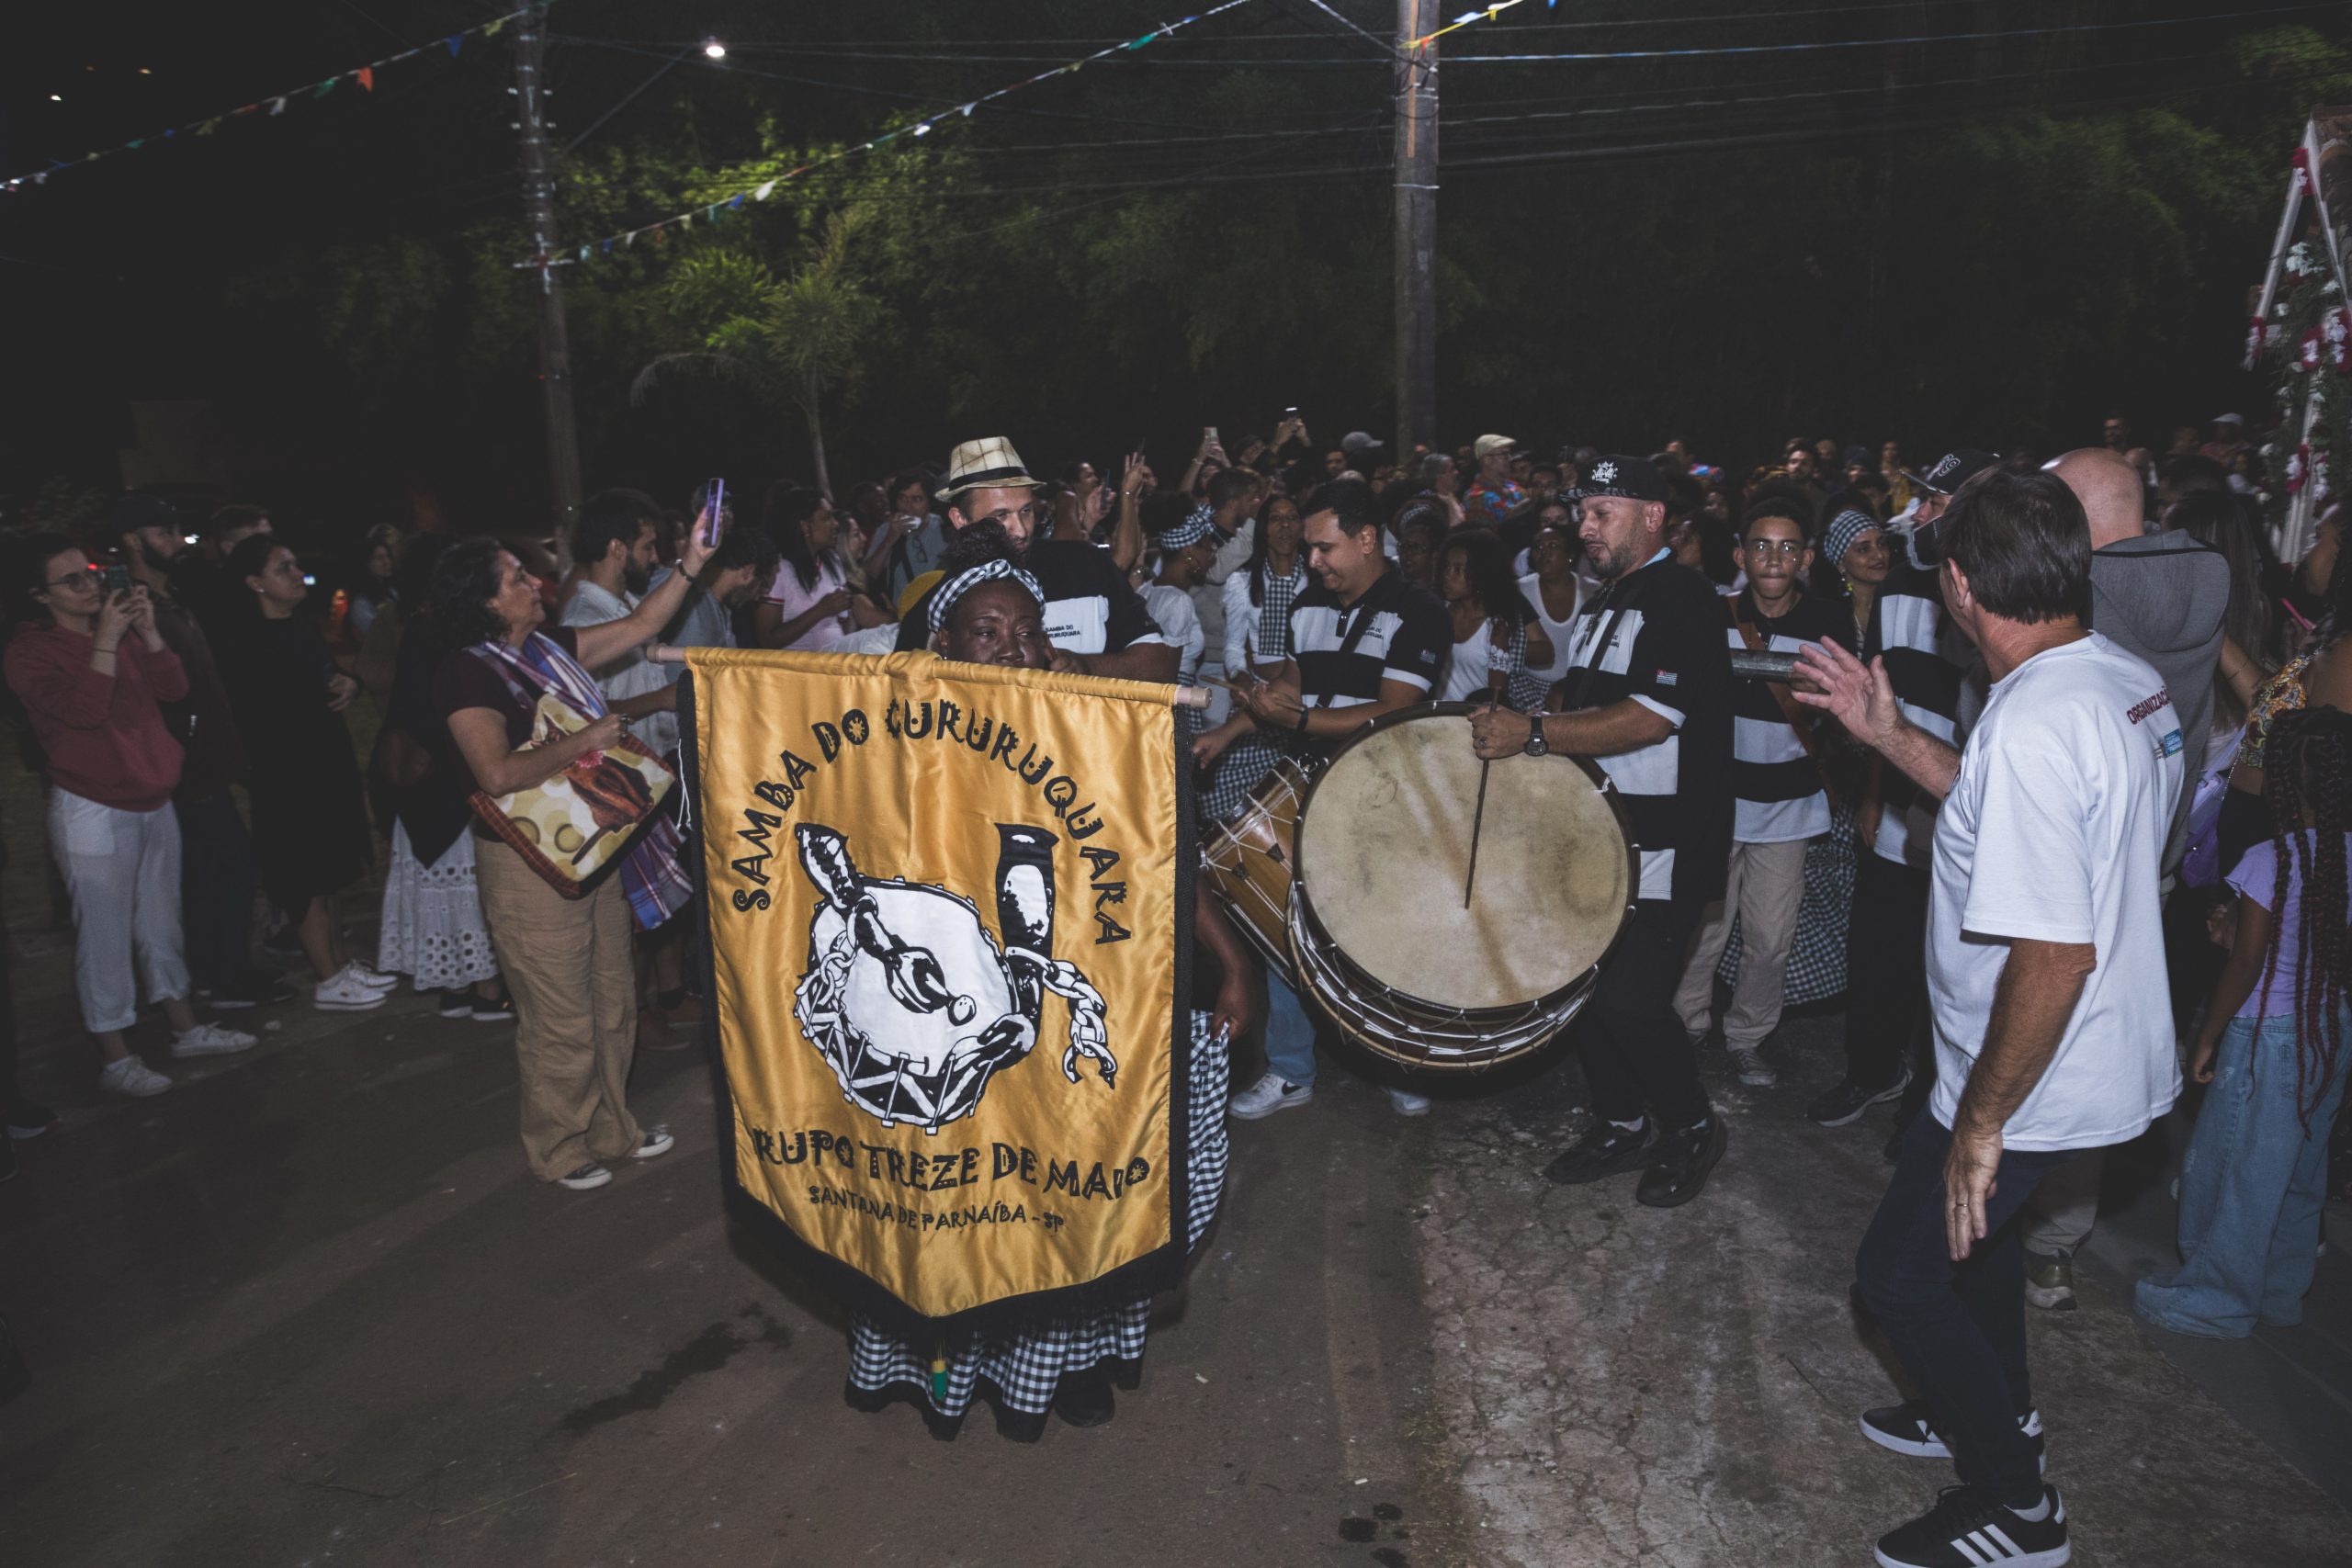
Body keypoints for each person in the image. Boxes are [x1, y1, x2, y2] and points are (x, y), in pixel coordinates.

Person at [1799, 467, 2180, 1568]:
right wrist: (1888, 737)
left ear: (1961, 587)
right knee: (1979, 1253)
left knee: (1899, 1277)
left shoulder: (2034, 723)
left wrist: (1980, 1125)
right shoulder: (2110, 678)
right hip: (2025, 1059)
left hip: (2030, 1073)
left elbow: (2054, 953)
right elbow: (2009, 812)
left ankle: (2018, 1506)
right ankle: (1987, 1409)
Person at [841, 543, 1256, 1442]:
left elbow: (1163, 856)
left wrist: (1230, 960)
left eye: (1027, 632)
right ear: (942, 643)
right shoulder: (895, 754)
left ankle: (1070, 1362)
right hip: (958, 1044)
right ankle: (953, 1370)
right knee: (970, 1208)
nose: (1013, 649)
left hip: (1072, 1022)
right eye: (987, 632)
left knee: (1078, 1193)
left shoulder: (1093, 729)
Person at [1468, 454, 1735, 1208]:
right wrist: (1527, 726)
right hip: (1595, 836)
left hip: (1667, 843)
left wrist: (1537, 731)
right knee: (1581, 991)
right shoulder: (1601, 601)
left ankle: (1690, 1125)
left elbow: (1651, 717)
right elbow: (1582, 700)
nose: (1583, 527)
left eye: (1602, 512)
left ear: (1653, 516)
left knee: (1633, 1002)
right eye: (1581, 512)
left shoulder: (1683, 598)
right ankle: (1620, 1121)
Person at [432, 516, 718, 1190]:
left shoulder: (548, 648)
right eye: (513, 578)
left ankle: (613, 1127)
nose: (532, 583)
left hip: (595, 845)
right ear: (484, 601)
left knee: (614, 999)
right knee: (559, 1015)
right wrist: (589, 739)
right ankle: (561, 1145)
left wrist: (692, 563)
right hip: (530, 861)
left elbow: (642, 625)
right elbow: (496, 774)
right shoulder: (464, 675)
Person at [2016, 449, 2229, 1311]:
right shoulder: (2210, 576)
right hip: (2159, 856)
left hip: (2076, 850)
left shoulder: (2084, 593)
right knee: (2098, 1047)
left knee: (2033, 1038)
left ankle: (1997, 1209)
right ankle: (2059, 1246)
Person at [1195, 479, 1449, 1122]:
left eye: (1324, 547)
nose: (1313, 561)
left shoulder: (1418, 611)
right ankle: (1290, 1069)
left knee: (1380, 934)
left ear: (1366, 540)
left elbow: (1395, 709)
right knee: (1287, 920)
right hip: (1307, 785)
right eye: (1309, 549)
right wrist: (1229, 729)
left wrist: (1302, 719)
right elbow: (1290, 685)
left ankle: (1397, 1061)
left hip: (1385, 790)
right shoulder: (1310, 603)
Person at [4, 534, 256, 1095]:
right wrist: (107, 640)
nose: (91, 585)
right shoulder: (28, 653)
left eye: (90, 573)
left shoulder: (114, 633)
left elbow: (174, 688)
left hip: (154, 797)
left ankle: (184, 1028)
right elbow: (84, 713)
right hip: (92, 807)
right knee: (105, 936)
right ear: (38, 596)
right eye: (72, 580)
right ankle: (115, 1057)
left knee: (161, 924)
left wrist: (145, 631)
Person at [2138, 708, 2351, 1337]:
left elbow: (2249, 963)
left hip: (2266, 1039)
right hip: (2328, 1030)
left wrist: (2205, 1033)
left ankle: (2218, 1295)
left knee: (2239, 1165)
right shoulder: (2343, 853)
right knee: (2300, 1172)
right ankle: (2280, 1292)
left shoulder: (2269, 858)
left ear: (2282, 781)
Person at [1805, 456, 1987, 1135]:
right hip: (1901, 807)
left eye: (1936, 501)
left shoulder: (2009, 586)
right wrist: (1876, 793)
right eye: (1926, 499)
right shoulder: (1903, 582)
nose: (1918, 513)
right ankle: (1871, 1071)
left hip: (1971, 815)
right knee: (1879, 949)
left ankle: (1929, 1111)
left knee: (1949, 968)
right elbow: (1888, 702)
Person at [1673, 497, 1844, 1089]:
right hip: (1717, 802)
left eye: (1789, 546)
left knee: (1770, 940)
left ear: (1808, 558)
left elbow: (1844, 712)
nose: (1774, 558)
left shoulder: (1829, 621)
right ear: (1742, 554)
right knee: (1702, 931)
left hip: (1790, 806)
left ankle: (1747, 1037)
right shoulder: (1709, 611)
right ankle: (1687, 1025)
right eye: (1762, 546)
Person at [108, 493, 291, 1010]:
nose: (173, 541)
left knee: (226, 870)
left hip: (208, 761)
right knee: (216, 872)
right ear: (131, 540)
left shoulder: (174, 595)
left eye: (175, 531)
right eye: (161, 532)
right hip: (181, 770)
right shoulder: (132, 605)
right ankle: (216, 980)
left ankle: (229, 970)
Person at [215, 536, 388, 1013]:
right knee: (305, 873)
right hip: (287, 776)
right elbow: (262, 714)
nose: (297, 575)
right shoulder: (245, 641)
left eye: (295, 564)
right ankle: (327, 977)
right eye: (283, 568)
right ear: (255, 583)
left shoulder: (301, 627)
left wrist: (347, 684)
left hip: (324, 765)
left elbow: (328, 674)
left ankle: (339, 960)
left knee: (331, 869)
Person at [892, 438, 1176, 683]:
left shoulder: (1086, 567)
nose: (1021, 529)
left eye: (1026, 511)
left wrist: (1087, 666)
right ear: (960, 520)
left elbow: (1160, 664)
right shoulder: (935, 607)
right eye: (1001, 516)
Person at [374, 535, 509, 1022]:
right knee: (468, 888)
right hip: (446, 781)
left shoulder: (422, 627)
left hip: (422, 786)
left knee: (445, 890)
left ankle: (457, 986)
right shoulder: (448, 633)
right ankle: (487, 989)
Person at [756, 487, 890, 654]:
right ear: (805, 526)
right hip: (800, 667)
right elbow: (768, 640)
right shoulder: (779, 569)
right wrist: (820, 611)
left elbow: (844, 620)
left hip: (834, 660)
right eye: (827, 518)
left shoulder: (831, 561)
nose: (835, 524)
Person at [1436, 525, 1550, 703]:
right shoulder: (1439, 613)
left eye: (1458, 570)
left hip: (1472, 721)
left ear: (1481, 573)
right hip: (1438, 718)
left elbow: (1497, 699)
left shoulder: (1496, 627)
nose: (1447, 575)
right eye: (1446, 567)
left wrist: (1504, 647)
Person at [1513, 507, 1581, 711]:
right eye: (1538, 548)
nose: (1545, 553)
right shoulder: (1518, 590)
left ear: (1570, 555)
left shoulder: (1592, 591)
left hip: (1574, 690)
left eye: (1553, 546)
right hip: (1527, 688)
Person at [874, 469, 951, 604]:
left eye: (917, 499)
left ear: (929, 502)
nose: (908, 506)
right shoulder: (886, 530)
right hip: (904, 615)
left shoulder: (944, 527)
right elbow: (871, 574)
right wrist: (889, 540)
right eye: (902, 498)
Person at [345, 524, 403, 642]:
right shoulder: (361, 603)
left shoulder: (392, 592)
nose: (387, 562)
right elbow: (381, 636)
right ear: (366, 564)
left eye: (388, 556)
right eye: (379, 558)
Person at [1464, 434, 1530, 529]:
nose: (1510, 458)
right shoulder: (1475, 497)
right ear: (1487, 460)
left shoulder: (1517, 488)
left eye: (1509, 454)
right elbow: (1485, 535)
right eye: (1504, 454)